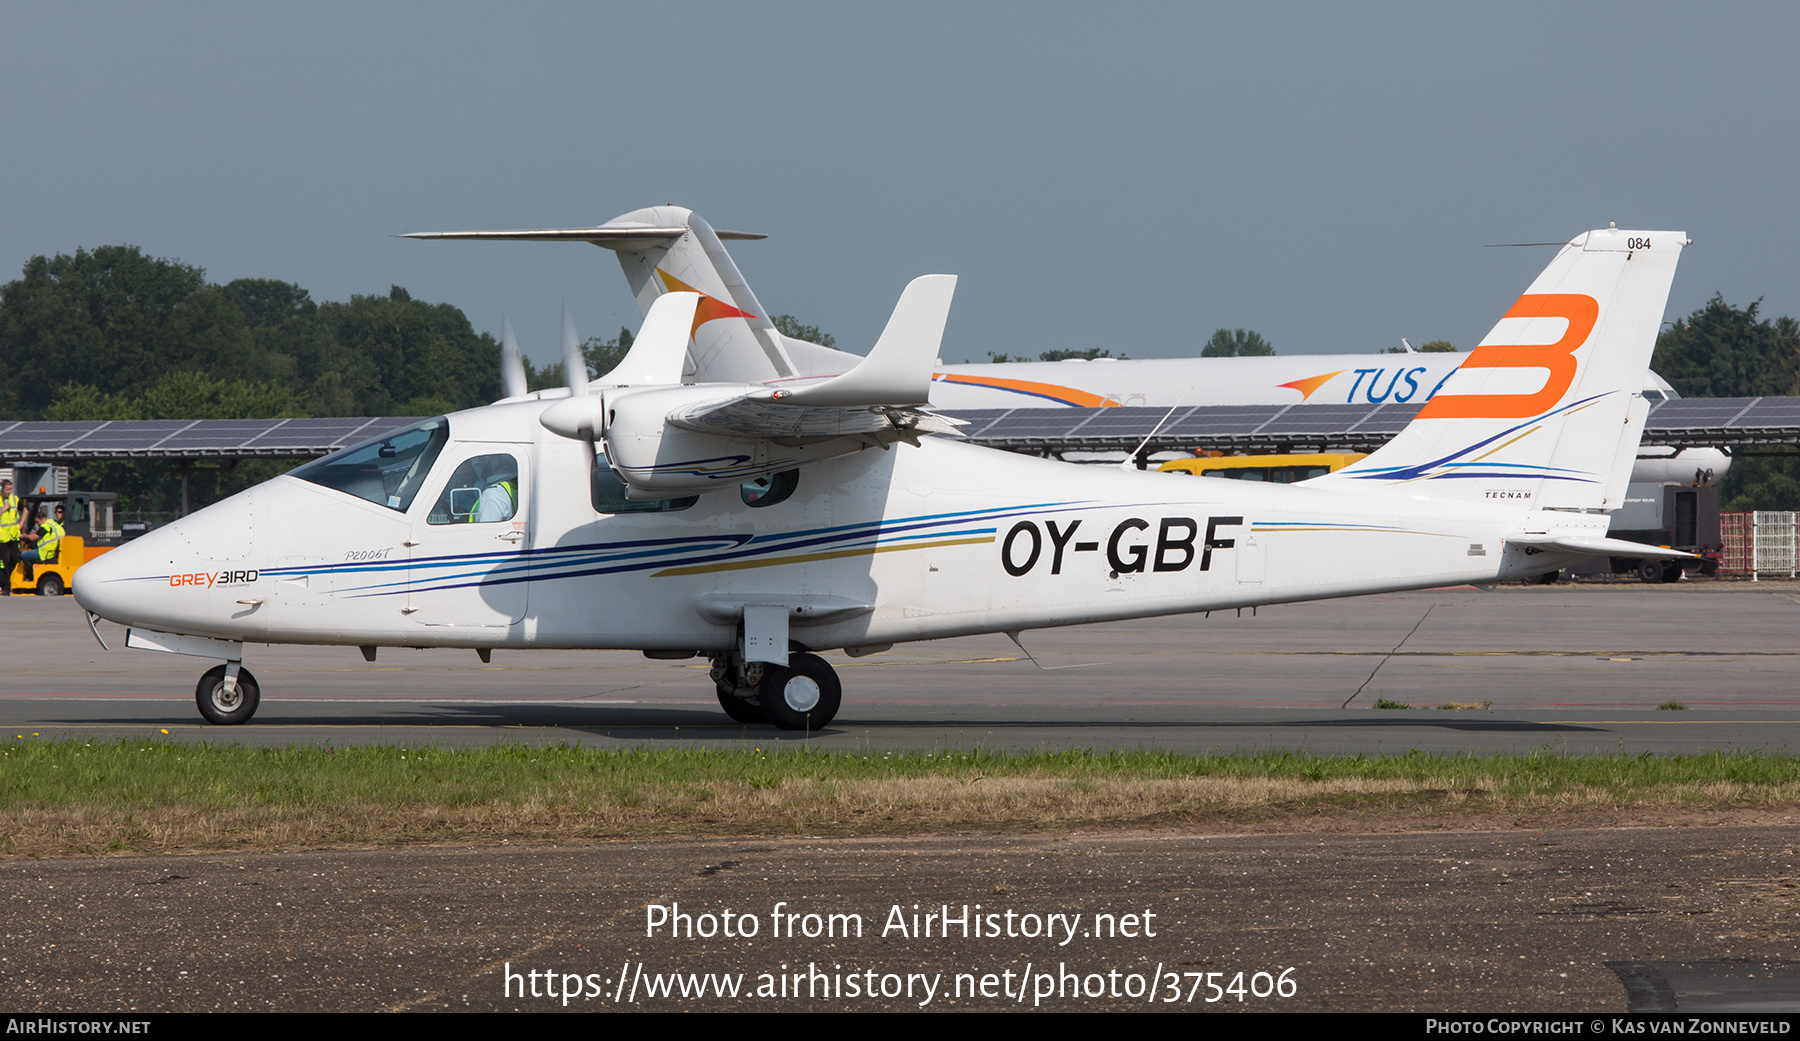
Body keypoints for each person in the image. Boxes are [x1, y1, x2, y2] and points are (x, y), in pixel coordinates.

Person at [21, 503, 64, 585]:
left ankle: (31, 574)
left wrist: (22, 536)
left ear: (43, 519)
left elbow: (32, 538)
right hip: (54, 552)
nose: (37, 525)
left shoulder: (45, 526)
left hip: (45, 554)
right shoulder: (54, 524)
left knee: (24, 555)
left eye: (38, 522)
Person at [0, 479, 19, 596]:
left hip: (12, 535)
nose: (9, 492)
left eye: (11, 489)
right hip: (1, 536)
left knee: (15, 558)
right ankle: (6, 586)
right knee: (4, 562)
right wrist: (3, 509)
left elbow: (24, 508)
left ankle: (5, 579)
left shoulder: (14, 499)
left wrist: (21, 523)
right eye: (7, 489)